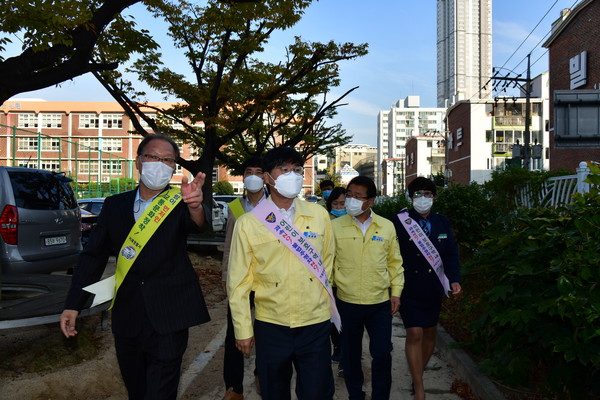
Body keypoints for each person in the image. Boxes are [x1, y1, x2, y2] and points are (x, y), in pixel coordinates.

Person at [60, 134, 211, 400]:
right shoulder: (114, 205)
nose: (159, 164)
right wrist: (74, 304)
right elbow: (93, 257)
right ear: (139, 161)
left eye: (167, 160)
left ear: (174, 168)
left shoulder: (180, 202)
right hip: (128, 314)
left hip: (170, 312)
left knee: (161, 391)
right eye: (153, 157)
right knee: (136, 388)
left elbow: (198, 225)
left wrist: (196, 207)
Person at [227, 146, 336, 400]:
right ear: (268, 177)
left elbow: (327, 262)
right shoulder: (249, 222)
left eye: (297, 170)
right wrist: (243, 329)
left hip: (315, 323)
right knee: (274, 392)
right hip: (272, 325)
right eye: (284, 169)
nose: (293, 175)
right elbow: (239, 282)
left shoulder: (319, 215)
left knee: (317, 392)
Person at [332, 176, 404, 400]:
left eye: (358, 196)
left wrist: (396, 292)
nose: (351, 200)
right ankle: (356, 394)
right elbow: (328, 263)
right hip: (347, 301)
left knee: (382, 353)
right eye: (349, 195)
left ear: (370, 201)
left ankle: (381, 395)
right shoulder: (335, 226)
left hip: (379, 302)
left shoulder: (386, 226)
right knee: (351, 355)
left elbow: (395, 262)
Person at [391, 177, 461, 400]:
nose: (423, 198)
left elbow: (450, 253)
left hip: (433, 287)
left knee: (430, 332)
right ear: (410, 197)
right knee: (414, 332)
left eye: (428, 194)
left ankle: (417, 374)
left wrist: (454, 279)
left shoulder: (442, 222)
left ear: (435, 197)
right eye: (418, 194)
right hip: (409, 286)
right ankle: (419, 388)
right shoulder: (399, 221)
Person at [221, 157, 266, 400]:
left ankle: (262, 373)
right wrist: (225, 274)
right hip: (240, 278)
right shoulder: (235, 207)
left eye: (258, 172)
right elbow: (229, 244)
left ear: (266, 177)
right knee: (234, 331)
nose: (253, 176)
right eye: (249, 171)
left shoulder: (275, 207)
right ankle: (234, 386)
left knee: (266, 329)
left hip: (267, 278)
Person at [324, 186, 346, 368]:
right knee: (333, 316)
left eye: (343, 203)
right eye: (335, 203)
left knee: (348, 319)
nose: (339, 207)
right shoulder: (324, 220)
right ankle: (338, 346)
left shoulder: (354, 220)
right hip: (329, 280)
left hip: (348, 278)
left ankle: (347, 353)